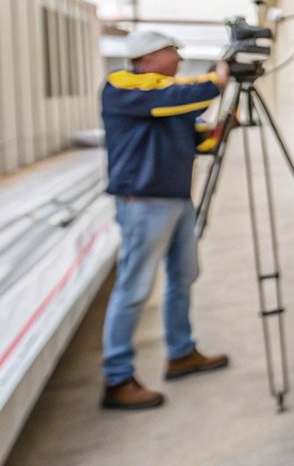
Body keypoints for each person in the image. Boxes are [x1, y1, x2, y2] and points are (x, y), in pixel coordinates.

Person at [99, 29, 233, 410]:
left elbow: (196, 140)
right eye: (171, 52)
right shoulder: (123, 85)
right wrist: (218, 78)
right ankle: (117, 378)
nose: (177, 58)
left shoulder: (167, 99)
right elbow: (177, 96)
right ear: (148, 57)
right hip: (143, 202)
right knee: (134, 287)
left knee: (184, 275)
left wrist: (220, 130)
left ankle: (181, 352)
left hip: (176, 199)